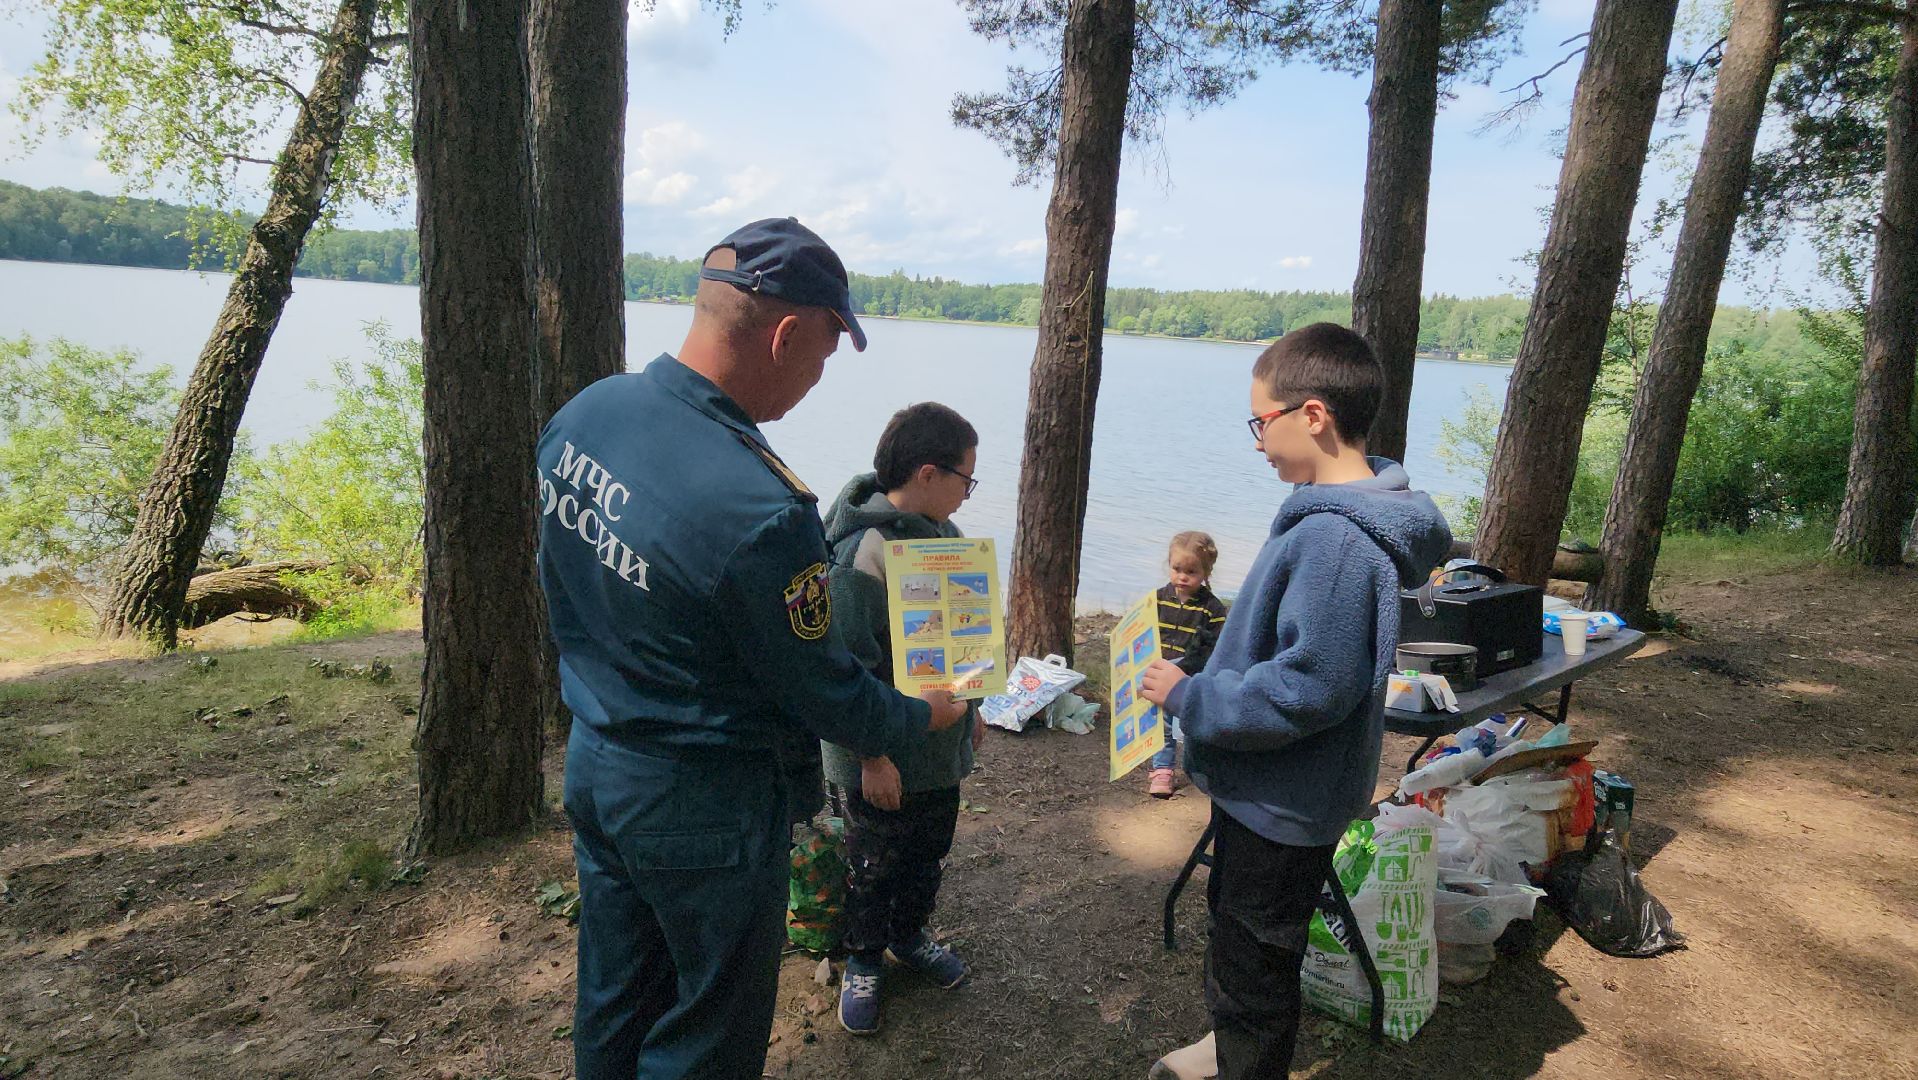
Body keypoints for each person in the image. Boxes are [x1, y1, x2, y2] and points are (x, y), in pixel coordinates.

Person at [537, 217, 968, 1080]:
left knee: (616, 994)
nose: (817, 378)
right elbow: (825, 692)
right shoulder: (759, 509)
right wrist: (925, 712)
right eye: (824, 353)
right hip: (705, 803)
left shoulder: (590, 413)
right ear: (784, 333)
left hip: (601, 760)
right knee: (708, 1030)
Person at [1138, 322, 1451, 1080]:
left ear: (1312, 415)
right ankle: (1227, 1045)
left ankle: (1245, 1058)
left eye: (1262, 421)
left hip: (1286, 802)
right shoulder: (1329, 515)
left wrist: (1192, 697)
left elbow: (1309, 688)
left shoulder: (1340, 543)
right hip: (1267, 792)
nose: (1257, 442)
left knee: (1257, 962)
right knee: (1238, 936)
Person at [817, 401, 986, 1035]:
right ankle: (862, 956)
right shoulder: (864, 550)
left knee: (927, 851)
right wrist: (871, 755)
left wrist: (975, 703)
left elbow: (963, 635)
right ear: (927, 472)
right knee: (874, 860)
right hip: (883, 754)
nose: (969, 492)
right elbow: (843, 667)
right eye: (966, 479)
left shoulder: (944, 536)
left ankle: (908, 935)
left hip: (939, 751)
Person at [1147, 530, 1228, 798]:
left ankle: (1201, 765)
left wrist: (1191, 667)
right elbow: (1142, 633)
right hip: (1160, 668)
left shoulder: (1211, 608)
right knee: (1163, 721)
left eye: (1191, 571)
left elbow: (1217, 646)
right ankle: (1163, 770)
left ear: (1206, 572)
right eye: (1177, 569)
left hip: (1191, 673)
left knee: (1191, 722)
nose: (1182, 576)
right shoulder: (1157, 599)